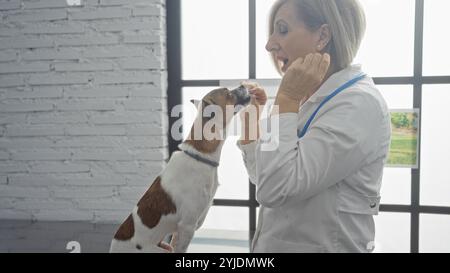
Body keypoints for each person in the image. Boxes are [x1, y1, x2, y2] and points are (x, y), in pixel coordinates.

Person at [237, 0, 391, 253]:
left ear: (323, 36)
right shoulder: (309, 96)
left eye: (282, 30)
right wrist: (251, 126)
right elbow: (265, 179)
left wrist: (286, 99)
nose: (269, 44)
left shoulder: (358, 104)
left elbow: (276, 189)